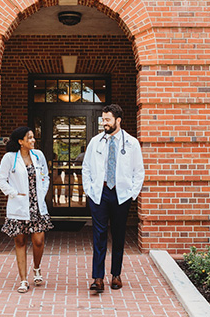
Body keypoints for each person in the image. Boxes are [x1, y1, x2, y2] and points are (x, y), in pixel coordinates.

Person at [82, 104, 145, 293]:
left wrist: (132, 194)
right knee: (98, 236)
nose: (104, 123)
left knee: (118, 236)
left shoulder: (131, 143)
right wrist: (89, 190)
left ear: (118, 120)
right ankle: (98, 278)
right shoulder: (95, 142)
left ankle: (116, 275)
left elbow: (138, 171)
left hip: (121, 195)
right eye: (103, 119)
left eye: (107, 119)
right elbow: (86, 167)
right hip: (99, 194)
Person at [0, 126, 53, 293]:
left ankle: (36, 268)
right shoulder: (9, 158)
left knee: (38, 241)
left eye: (33, 137)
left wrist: (42, 193)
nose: (33, 140)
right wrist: (13, 193)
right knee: (20, 242)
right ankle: (23, 280)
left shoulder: (38, 155)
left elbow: (46, 176)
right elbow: (1, 180)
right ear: (20, 141)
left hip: (37, 207)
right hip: (19, 206)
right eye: (29, 138)